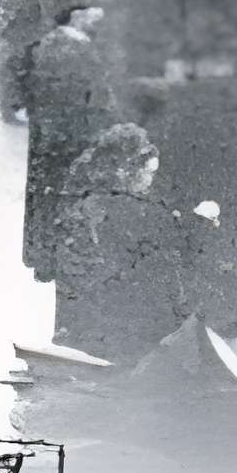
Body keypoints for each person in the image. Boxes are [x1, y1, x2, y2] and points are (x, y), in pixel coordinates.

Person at [52, 126, 191, 364]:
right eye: (148, 172)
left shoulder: (97, 194)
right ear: (127, 171)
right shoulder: (112, 209)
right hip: (107, 310)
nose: (151, 179)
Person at [19, 0, 119, 283]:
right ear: (75, 14)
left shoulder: (52, 44)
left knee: (46, 195)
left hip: (51, 136)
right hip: (68, 136)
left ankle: (44, 259)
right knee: (62, 196)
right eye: (91, 10)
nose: (97, 16)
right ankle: (57, 260)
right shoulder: (71, 48)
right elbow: (89, 97)